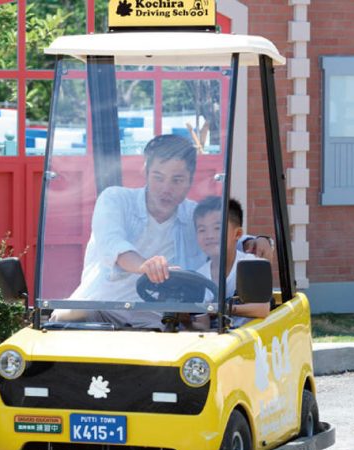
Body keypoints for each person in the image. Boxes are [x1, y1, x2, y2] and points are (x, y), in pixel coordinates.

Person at [50, 134, 271, 329]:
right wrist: (144, 266)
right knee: (58, 320)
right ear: (145, 172)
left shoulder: (194, 215)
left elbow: (222, 233)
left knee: (180, 343)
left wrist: (256, 241)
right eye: (158, 177)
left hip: (155, 318)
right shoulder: (115, 199)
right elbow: (112, 243)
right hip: (99, 305)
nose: (166, 188)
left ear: (190, 180)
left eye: (177, 180)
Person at [192, 196, 271, 329]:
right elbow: (202, 324)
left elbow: (263, 308)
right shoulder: (198, 277)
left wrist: (224, 308)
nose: (209, 235)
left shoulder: (250, 265)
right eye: (202, 230)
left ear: (238, 234)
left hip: (249, 340)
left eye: (217, 228)